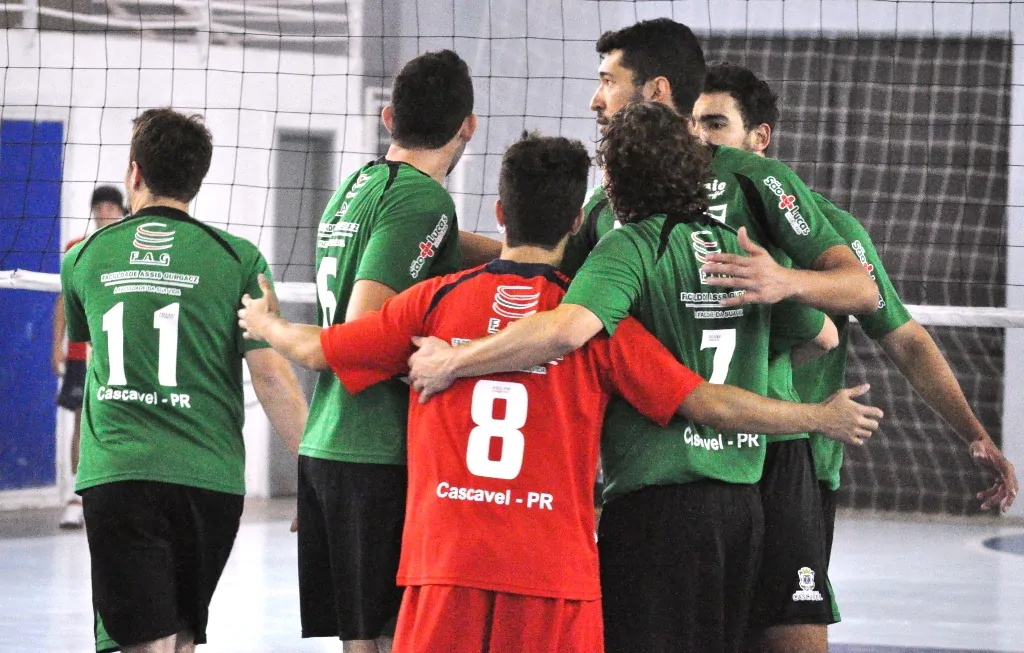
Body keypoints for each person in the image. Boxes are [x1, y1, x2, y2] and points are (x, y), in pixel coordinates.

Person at [238, 130, 882, 653]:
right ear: (578, 221)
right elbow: (731, 385)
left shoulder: (437, 302)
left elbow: (324, 348)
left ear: (498, 211)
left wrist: (267, 325)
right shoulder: (612, 329)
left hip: (448, 559)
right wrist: (815, 412)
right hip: (559, 568)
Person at [407, 20, 876, 653]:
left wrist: (455, 359)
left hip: (660, 505)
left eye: (606, 83)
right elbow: (819, 334)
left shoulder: (630, 244)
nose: (597, 99)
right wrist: (802, 396)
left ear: (614, 180)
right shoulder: (731, 246)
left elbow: (569, 327)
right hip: (743, 500)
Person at [693, 60, 1019, 653]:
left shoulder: (829, 232)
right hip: (705, 460)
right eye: (691, 124)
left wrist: (975, 433)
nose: (700, 139)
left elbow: (904, 337)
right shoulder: (672, 226)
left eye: (715, 124)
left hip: (797, 467)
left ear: (759, 139)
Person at [60, 108, 307, 653]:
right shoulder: (240, 260)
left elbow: (91, 345)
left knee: (144, 644)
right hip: (210, 482)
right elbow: (271, 375)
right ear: (198, 179)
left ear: (134, 174)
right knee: (180, 641)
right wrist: (319, 476)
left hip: (121, 475)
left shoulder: (83, 257)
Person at [296, 49, 475, 653]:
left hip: (327, 443)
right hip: (379, 452)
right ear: (468, 126)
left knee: (361, 639)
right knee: (392, 638)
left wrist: (527, 251)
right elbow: (364, 329)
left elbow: (413, 240)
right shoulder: (426, 201)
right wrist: (455, 361)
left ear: (387, 116)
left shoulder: (358, 186)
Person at [52, 185, 126, 528]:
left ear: (122, 210)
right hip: (83, 353)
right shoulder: (76, 250)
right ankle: (75, 499)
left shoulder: (131, 249)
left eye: (111, 206)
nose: (104, 212)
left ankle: (118, 495)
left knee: (124, 422)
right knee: (83, 422)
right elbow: (63, 304)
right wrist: (58, 346)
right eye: (99, 206)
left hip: (122, 354)